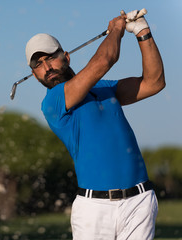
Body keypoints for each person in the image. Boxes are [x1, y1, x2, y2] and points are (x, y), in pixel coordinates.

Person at [25, 10, 165, 240]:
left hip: (140, 202)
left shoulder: (103, 88)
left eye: (50, 57)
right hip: (94, 210)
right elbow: (104, 61)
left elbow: (154, 82)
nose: (47, 67)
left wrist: (142, 32)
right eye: (38, 64)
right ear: (34, 74)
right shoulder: (54, 102)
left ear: (66, 57)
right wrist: (116, 29)